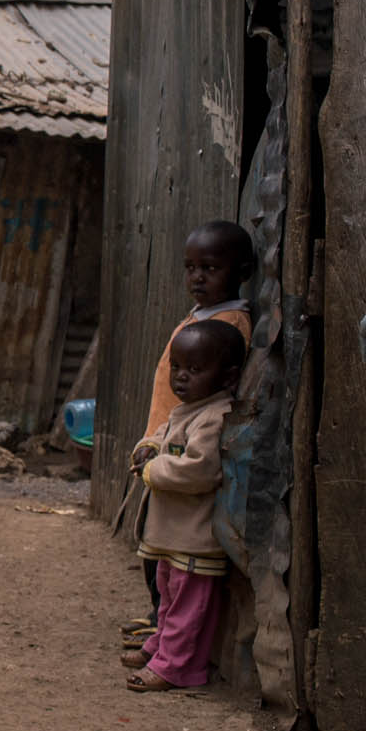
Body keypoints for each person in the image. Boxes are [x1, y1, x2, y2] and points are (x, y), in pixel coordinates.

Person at [120, 220, 255, 651]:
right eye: (191, 267)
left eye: (210, 268)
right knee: (154, 544)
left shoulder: (232, 324)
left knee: (177, 553)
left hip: (187, 447)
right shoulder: (202, 317)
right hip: (164, 437)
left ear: (241, 270)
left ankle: (173, 639)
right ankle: (159, 622)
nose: (197, 277)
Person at [124, 321, 245, 693]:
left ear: (227, 375)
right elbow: (164, 437)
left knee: (187, 603)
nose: (181, 377)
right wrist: (148, 447)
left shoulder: (214, 416)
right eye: (177, 367)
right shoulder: (189, 409)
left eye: (194, 370)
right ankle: (163, 647)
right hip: (175, 535)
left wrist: (152, 469)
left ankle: (176, 666)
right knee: (169, 593)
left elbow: (199, 469)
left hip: (194, 536)